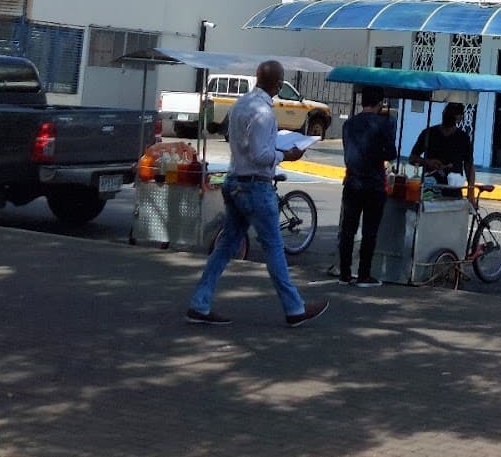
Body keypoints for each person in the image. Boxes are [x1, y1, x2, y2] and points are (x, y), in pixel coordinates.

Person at [187, 60, 329, 328]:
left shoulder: (242, 104)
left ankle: (200, 302)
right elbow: (261, 154)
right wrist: (287, 154)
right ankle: (294, 308)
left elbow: (239, 142)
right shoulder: (264, 113)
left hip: (235, 180)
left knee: (226, 245)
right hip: (256, 185)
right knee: (274, 247)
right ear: (277, 84)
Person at [334, 88, 396, 286]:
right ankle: (363, 274)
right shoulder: (383, 124)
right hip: (374, 185)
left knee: (348, 229)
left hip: (352, 182)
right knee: (369, 231)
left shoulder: (348, 124)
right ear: (379, 104)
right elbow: (391, 153)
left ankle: (344, 272)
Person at [410, 101, 476, 198]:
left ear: (460, 118)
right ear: (443, 113)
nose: (450, 116)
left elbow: (469, 165)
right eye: (448, 112)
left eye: (454, 114)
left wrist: (471, 193)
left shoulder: (463, 138)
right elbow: (412, 158)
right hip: (430, 189)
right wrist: (427, 162)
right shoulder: (428, 133)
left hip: (453, 190)